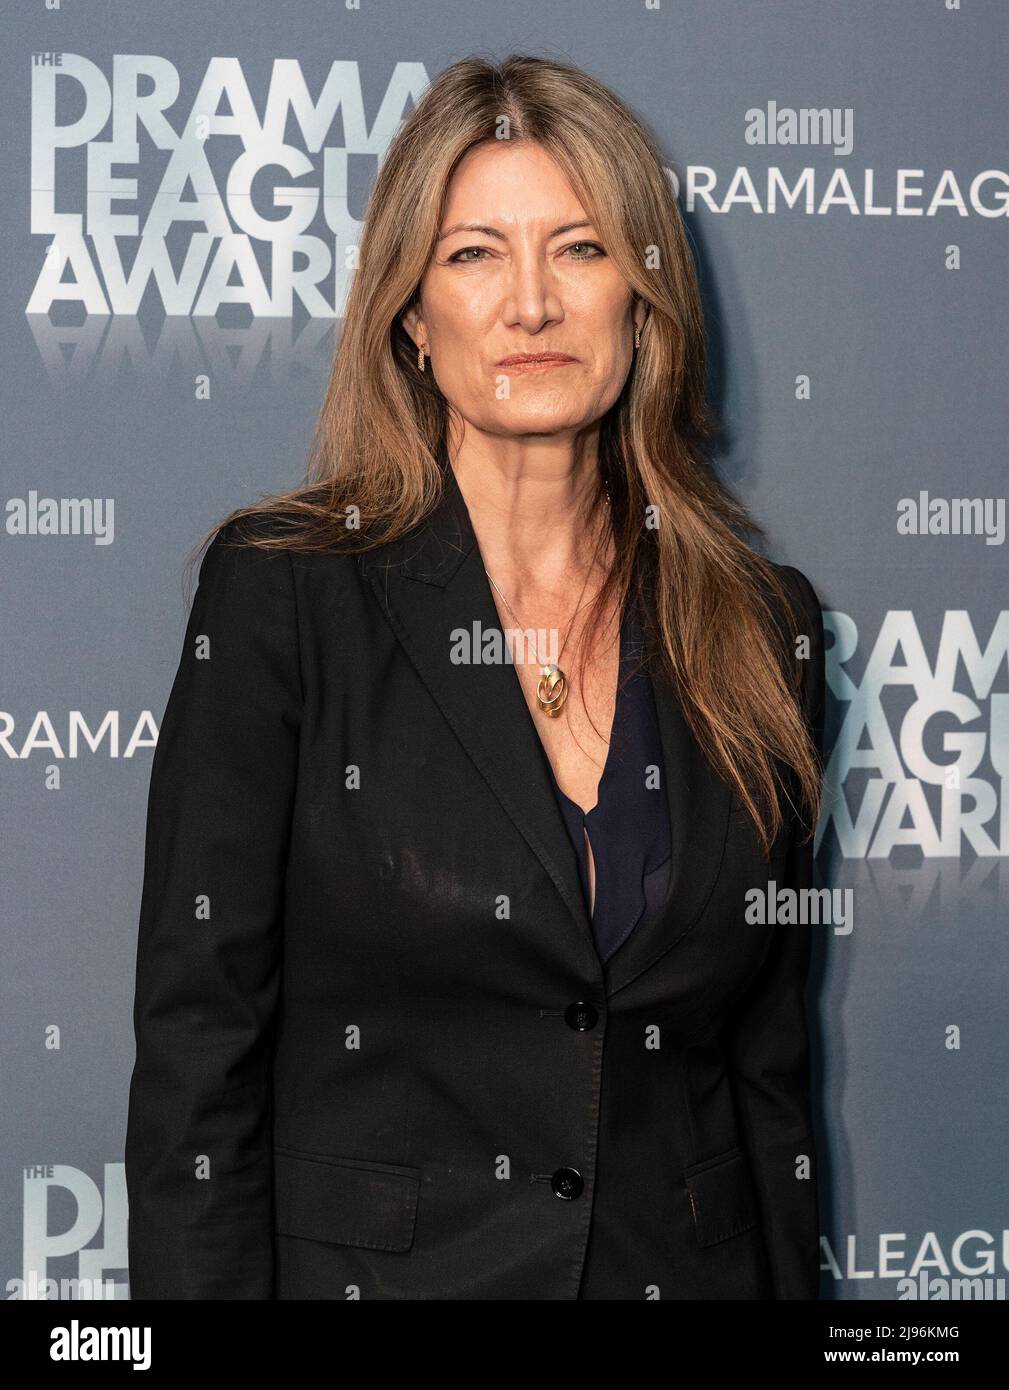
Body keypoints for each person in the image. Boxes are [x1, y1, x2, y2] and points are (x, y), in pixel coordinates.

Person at [125, 53, 826, 1300]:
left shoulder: (759, 628)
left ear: (642, 294)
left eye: (580, 247)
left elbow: (762, 1080)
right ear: (409, 312)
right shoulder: (287, 594)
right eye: (473, 255)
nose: (531, 307)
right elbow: (199, 1044)